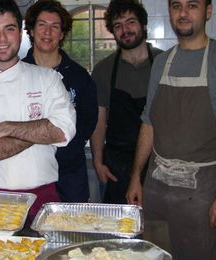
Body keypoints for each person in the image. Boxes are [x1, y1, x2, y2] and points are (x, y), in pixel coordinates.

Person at [0, 0, 76, 222]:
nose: (2, 39)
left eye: (9, 29)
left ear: (20, 33)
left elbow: (63, 131)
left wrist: (7, 128)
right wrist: (40, 131)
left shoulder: (47, 78)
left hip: (44, 197)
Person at [126, 0, 216, 258]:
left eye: (192, 5)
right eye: (176, 6)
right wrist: (136, 176)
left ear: (208, 12)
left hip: (203, 191)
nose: (183, 13)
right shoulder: (161, 62)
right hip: (156, 186)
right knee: (155, 252)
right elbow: (148, 122)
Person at [22, 0, 98, 203]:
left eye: (55, 26)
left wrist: (63, 147)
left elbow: (88, 120)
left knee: (71, 232)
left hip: (69, 175)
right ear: (30, 30)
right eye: (41, 24)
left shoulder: (79, 76)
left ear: (62, 34)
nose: (47, 32)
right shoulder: (16, 74)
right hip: (29, 173)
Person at [90, 0, 162, 204]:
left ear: (143, 25)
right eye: (118, 25)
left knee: (157, 231)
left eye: (131, 22)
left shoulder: (163, 63)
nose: (125, 30)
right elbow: (99, 121)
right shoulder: (104, 70)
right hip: (117, 168)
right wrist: (97, 161)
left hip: (158, 167)